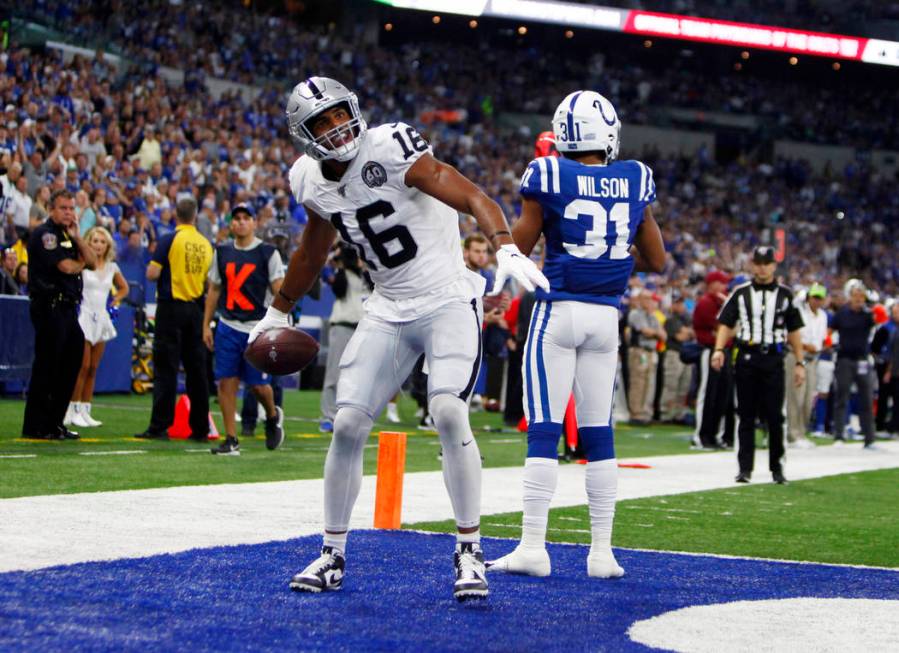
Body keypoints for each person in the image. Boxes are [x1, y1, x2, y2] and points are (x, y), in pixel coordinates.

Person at [248, 77, 548, 601]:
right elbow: (313, 250)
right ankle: (332, 554)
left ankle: (469, 552)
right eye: (322, 121)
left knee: (450, 411)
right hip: (387, 307)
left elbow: (470, 193)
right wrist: (276, 311)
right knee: (345, 424)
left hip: (447, 297)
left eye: (340, 113)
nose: (337, 126)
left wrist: (504, 244)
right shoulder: (307, 178)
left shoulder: (390, 146)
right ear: (304, 134)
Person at [487, 90, 665, 579]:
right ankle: (602, 554)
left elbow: (518, 251)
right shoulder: (635, 176)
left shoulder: (547, 173)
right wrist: (611, 260)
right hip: (606, 318)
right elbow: (656, 260)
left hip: (557, 310)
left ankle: (533, 548)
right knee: (598, 434)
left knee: (544, 431)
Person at [712, 246, 805, 484]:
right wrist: (719, 350)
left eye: (767, 263)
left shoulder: (786, 295)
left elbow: (794, 330)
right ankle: (745, 469)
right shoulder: (740, 293)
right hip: (746, 357)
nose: (762, 268)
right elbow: (725, 323)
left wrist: (800, 362)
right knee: (745, 414)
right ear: (753, 265)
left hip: (773, 359)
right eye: (759, 263)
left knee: (776, 416)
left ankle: (777, 468)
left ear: (774, 265)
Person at [203, 203, 286, 455]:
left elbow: (279, 289)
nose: (240, 222)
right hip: (228, 324)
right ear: (230, 224)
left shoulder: (268, 253)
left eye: (245, 218)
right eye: (236, 218)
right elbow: (214, 289)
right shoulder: (222, 252)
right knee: (226, 384)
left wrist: (279, 322)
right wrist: (205, 323)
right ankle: (231, 439)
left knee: (258, 386)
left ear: (254, 222)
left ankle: (272, 417)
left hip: (256, 328)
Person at [135, 197, 213, 441]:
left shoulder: (169, 239)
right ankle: (200, 428)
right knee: (197, 371)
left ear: (175, 215)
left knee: (166, 368)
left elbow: (152, 272)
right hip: (197, 309)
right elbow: (210, 283)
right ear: (195, 215)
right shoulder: (205, 244)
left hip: (171, 307)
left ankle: (160, 426)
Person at [22, 189, 97, 439]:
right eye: (63, 208)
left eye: (71, 208)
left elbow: (94, 262)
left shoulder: (69, 235)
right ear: (51, 209)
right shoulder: (45, 235)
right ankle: (35, 426)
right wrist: (80, 263)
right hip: (49, 305)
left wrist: (78, 238)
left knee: (71, 363)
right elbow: (66, 267)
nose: (68, 213)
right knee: (48, 365)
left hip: (67, 308)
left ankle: (55, 423)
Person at [65, 226, 129, 428]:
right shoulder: (82, 263)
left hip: (101, 318)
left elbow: (124, 288)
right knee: (81, 366)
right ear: (88, 242)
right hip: (83, 316)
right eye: (95, 241)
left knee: (93, 367)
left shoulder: (112, 267)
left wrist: (115, 301)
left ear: (107, 245)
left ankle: (86, 410)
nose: (99, 245)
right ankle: (71, 410)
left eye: (102, 241)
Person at [319, 240, 371, 433]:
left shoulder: (366, 277)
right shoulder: (342, 274)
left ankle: (352, 416)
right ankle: (328, 416)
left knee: (358, 375)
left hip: (363, 328)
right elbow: (337, 288)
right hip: (342, 326)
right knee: (334, 373)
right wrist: (339, 261)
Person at [830, 279, 877, 449]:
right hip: (844, 359)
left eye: (861, 296)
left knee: (866, 399)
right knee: (842, 397)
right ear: (849, 296)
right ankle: (839, 436)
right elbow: (830, 331)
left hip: (862, 360)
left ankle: (869, 438)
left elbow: (879, 323)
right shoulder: (841, 313)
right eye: (856, 296)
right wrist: (829, 344)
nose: (859, 299)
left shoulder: (868, 314)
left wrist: (870, 308)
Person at [693, 269, 734, 449]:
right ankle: (701, 435)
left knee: (721, 395)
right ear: (712, 284)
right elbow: (722, 328)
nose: (724, 287)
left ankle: (714, 434)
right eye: (721, 283)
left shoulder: (719, 302)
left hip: (722, 351)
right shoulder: (706, 302)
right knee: (707, 394)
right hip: (709, 350)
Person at [784, 283, 828, 448]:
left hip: (813, 359)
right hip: (796, 356)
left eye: (819, 298)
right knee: (796, 396)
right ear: (808, 297)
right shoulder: (799, 311)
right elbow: (789, 335)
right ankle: (792, 434)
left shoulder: (822, 316)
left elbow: (822, 337)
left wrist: (819, 347)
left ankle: (802, 433)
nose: (816, 301)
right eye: (814, 297)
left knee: (809, 398)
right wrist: (804, 347)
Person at [627, 291, 666, 424]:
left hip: (650, 351)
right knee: (638, 382)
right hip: (639, 350)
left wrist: (655, 333)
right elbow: (645, 331)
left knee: (649, 382)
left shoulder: (652, 316)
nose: (649, 301)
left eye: (650, 299)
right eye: (647, 299)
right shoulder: (635, 314)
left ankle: (644, 412)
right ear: (640, 299)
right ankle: (636, 413)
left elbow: (663, 335)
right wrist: (655, 333)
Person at [660, 293, 693, 423]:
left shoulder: (685, 319)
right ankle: (666, 414)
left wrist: (686, 332)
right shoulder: (670, 320)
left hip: (685, 354)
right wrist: (686, 332)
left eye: (681, 303)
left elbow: (692, 333)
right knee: (671, 385)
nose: (680, 305)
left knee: (683, 386)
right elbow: (680, 337)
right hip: (674, 354)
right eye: (677, 303)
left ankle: (678, 414)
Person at [884, 303, 899, 436]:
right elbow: (892, 354)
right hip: (896, 371)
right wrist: (889, 371)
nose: (895, 316)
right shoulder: (894, 330)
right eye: (894, 313)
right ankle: (894, 427)